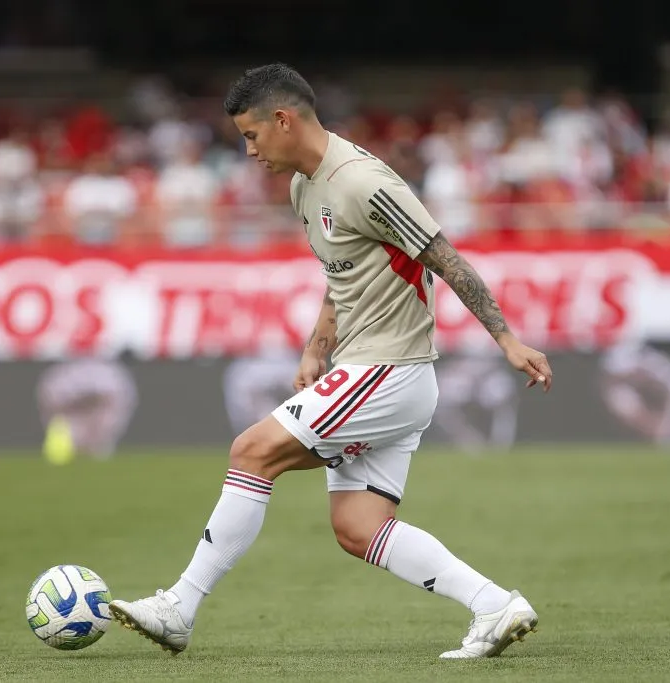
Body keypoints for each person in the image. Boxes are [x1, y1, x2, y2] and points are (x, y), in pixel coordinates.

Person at [109, 63, 553, 659]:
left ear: (284, 119)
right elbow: (341, 276)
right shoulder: (304, 185)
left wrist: (507, 341)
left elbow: (446, 259)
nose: (248, 151)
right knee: (357, 526)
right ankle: (495, 605)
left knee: (252, 450)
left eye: (251, 135)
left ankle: (178, 608)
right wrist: (316, 348)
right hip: (379, 372)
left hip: (387, 370)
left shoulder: (362, 182)